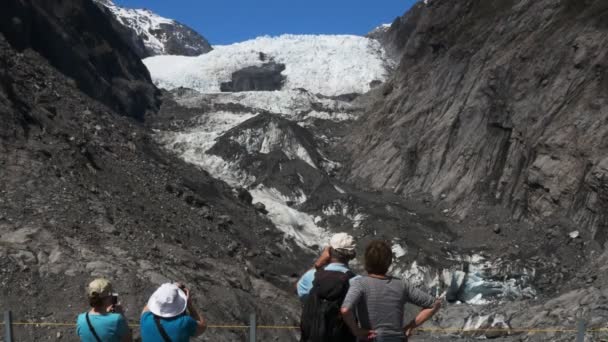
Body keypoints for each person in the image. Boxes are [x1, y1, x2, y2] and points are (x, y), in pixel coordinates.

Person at [340, 240, 441, 342]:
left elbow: (345, 310)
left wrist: (356, 331)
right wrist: (410, 327)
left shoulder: (360, 283)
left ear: (366, 261)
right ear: (389, 262)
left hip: (372, 338)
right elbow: (434, 304)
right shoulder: (401, 284)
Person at [298, 232, 360, 342]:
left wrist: (318, 264)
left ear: (329, 251)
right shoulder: (357, 281)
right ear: (352, 255)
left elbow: (302, 294)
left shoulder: (311, 276)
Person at [140, 282, 206, 342]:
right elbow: (202, 327)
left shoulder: (145, 318)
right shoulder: (184, 322)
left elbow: (149, 305)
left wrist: (164, 292)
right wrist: (189, 305)